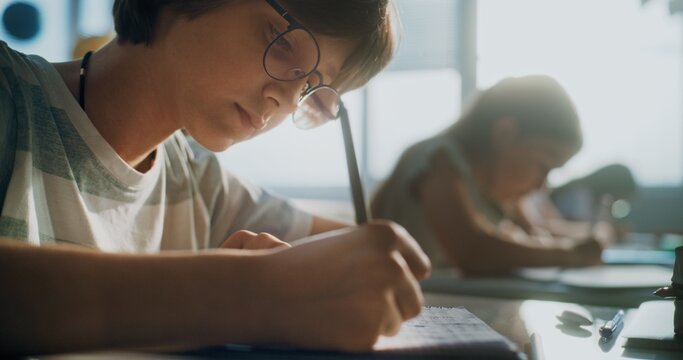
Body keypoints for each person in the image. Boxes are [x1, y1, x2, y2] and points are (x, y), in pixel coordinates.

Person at [0, 0, 431, 355]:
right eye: (284, 44)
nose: (282, 98)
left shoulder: (200, 182)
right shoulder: (11, 97)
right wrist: (252, 293)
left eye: (310, 87)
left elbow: (360, 258)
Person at [371, 75, 603, 275]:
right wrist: (571, 254)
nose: (542, 185)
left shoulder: (497, 190)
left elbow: (536, 234)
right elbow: (472, 251)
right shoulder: (439, 159)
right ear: (505, 133)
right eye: (544, 166)